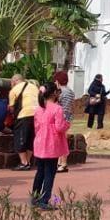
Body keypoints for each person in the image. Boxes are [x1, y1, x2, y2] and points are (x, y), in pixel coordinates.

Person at [31, 82, 69, 210]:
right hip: (51, 145)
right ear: (54, 93)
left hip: (40, 143)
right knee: (49, 173)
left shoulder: (39, 109)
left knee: (40, 172)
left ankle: (35, 197)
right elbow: (59, 127)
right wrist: (66, 124)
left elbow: (36, 127)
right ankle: (44, 200)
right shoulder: (57, 108)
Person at [8, 74, 38, 171]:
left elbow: (12, 108)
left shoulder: (14, 90)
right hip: (37, 115)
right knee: (31, 138)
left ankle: (24, 162)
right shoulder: (34, 87)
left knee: (20, 138)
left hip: (24, 115)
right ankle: (28, 161)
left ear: (14, 81)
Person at [53, 71, 75, 173]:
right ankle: (60, 162)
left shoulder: (60, 92)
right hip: (68, 118)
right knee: (62, 140)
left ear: (57, 81)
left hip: (61, 118)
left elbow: (56, 104)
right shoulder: (70, 91)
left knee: (60, 141)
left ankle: (63, 163)